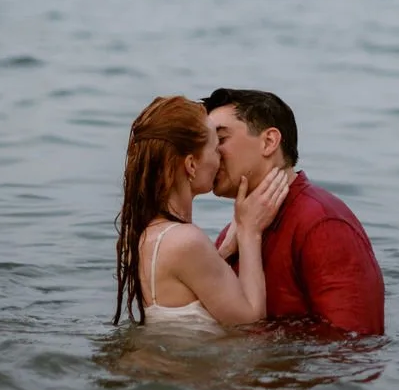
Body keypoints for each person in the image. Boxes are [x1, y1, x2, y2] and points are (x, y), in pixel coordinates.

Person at [203, 88, 385, 336]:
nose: (209, 154)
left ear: (269, 142)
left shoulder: (323, 224)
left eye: (220, 140)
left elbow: (354, 347)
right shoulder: (238, 229)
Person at [114, 94, 289, 329]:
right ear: (191, 165)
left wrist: (225, 250)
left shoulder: (147, 235)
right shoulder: (186, 241)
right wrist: (249, 232)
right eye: (216, 148)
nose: (221, 158)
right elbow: (251, 324)